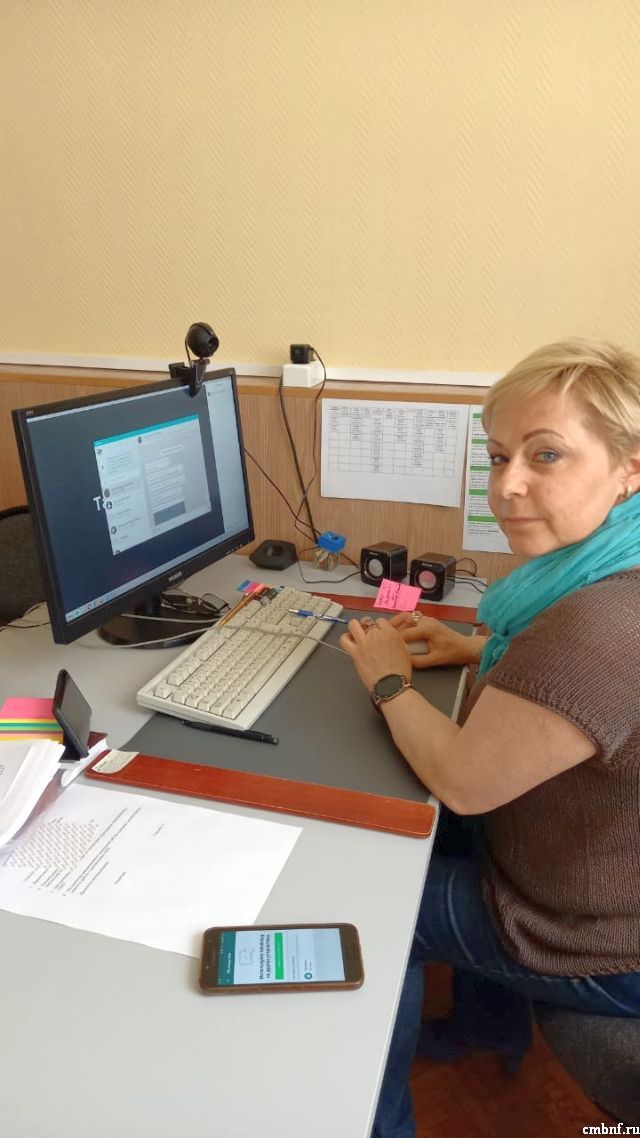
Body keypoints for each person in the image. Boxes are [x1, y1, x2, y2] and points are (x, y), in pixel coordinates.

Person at [339, 339, 640, 1138]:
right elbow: (591, 703)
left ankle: (380, 1125)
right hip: (596, 876)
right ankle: (489, 1027)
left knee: (374, 900)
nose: (507, 486)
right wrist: (476, 650)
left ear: (630, 468)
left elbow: (464, 782)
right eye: (500, 456)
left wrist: (387, 678)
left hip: (600, 945)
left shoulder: (601, 623)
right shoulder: (607, 572)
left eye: (547, 455)